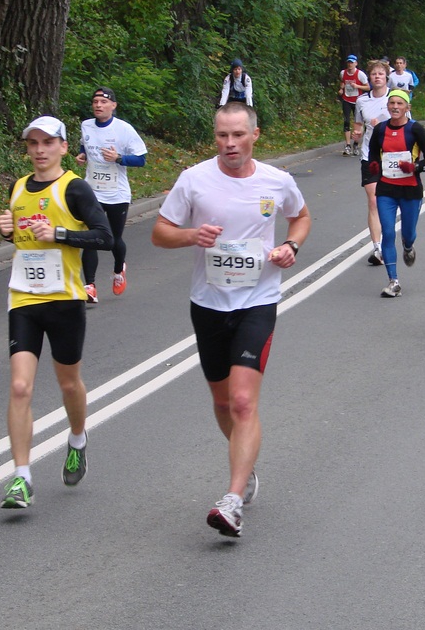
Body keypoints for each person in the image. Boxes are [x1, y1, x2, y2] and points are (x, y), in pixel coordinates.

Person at [151, 101, 311, 538]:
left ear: (255, 135)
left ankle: (232, 499)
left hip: (257, 299)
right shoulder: (194, 180)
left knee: (242, 401)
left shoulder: (276, 181)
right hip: (207, 303)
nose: (230, 144)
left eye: (238, 135)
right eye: (222, 135)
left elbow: (300, 217)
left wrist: (291, 247)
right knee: (222, 403)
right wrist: (189, 235)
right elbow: (159, 233)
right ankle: (247, 459)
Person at [0, 115, 114, 509]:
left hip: (64, 298)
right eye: (33, 143)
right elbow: (20, 233)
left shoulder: (74, 188)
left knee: (68, 384)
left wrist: (61, 234)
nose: (40, 150)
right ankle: (21, 478)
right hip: (24, 298)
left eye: (48, 142)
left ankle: (77, 438)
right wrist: (8, 231)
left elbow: (104, 237)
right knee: (19, 386)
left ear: (64, 147)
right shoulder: (17, 188)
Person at [75, 87, 147, 302]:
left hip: (117, 193)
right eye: (95, 101)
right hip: (92, 191)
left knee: (113, 239)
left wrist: (118, 158)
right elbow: (85, 144)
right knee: (91, 238)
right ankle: (90, 286)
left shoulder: (124, 130)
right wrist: (82, 155)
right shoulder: (86, 125)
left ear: (113, 106)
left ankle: (118, 270)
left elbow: (141, 159)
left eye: (103, 102)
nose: (98, 105)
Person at [366, 89, 425, 297]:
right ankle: (393, 280)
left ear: (407, 107)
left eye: (399, 103)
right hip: (386, 189)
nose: (395, 107)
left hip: (411, 190)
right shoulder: (380, 130)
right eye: (392, 103)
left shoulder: (416, 130)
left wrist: (414, 167)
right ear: (387, 106)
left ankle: (408, 246)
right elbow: (372, 156)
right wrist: (374, 167)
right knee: (387, 232)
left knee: (408, 234)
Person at [353, 60, 392, 267]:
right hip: (370, 156)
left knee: (389, 202)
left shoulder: (395, 99)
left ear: (386, 77)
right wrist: (356, 134)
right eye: (374, 74)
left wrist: (384, 126)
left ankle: (391, 240)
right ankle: (378, 248)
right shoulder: (362, 101)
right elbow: (358, 125)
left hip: (393, 157)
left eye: (381, 74)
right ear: (369, 77)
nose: (377, 77)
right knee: (374, 201)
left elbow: (407, 125)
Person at [339, 55, 370, 156]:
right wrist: (341, 89)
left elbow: (368, 87)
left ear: (356, 63)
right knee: (347, 121)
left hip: (358, 101)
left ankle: (356, 144)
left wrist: (357, 86)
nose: (350, 64)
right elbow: (342, 82)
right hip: (346, 99)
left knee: (358, 123)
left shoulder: (360, 74)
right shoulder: (343, 73)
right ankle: (348, 145)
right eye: (348, 62)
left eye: (352, 62)